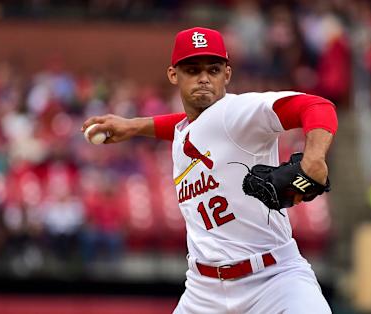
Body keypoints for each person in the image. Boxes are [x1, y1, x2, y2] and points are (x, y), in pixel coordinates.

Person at [82, 27, 337, 313]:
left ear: (226, 74)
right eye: (192, 70)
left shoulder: (239, 112)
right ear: (173, 75)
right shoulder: (186, 131)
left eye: (213, 69)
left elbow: (316, 105)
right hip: (203, 292)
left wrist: (314, 156)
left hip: (274, 280)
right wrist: (134, 125)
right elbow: (191, 127)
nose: (204, 78)